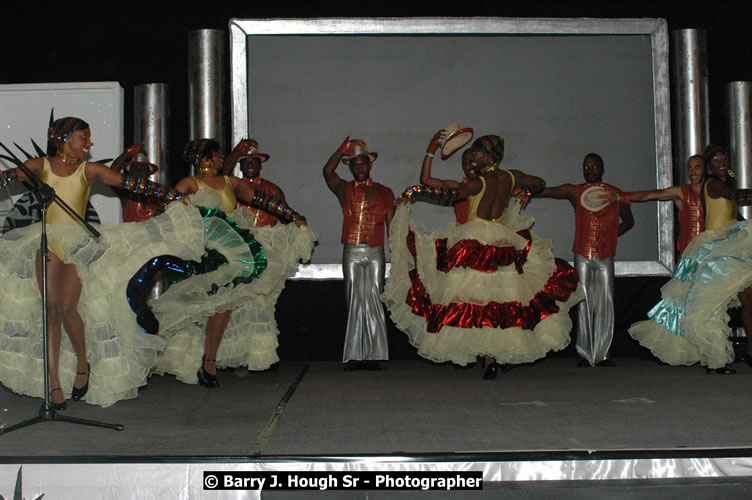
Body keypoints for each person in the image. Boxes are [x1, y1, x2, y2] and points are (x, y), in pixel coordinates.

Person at [0, 115, 194, 408]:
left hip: (78, 245)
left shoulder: (89, 170)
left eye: (89, 138)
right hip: (46, 242)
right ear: (64, 139)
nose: (89, 144)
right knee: (50, 310)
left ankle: (82, 362)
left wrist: (171, 195)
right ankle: (54, 385)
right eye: (84, 138)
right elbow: (12, 175)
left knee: (67, 308)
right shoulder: (41, 165)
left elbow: (131, 183)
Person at [384, 134, 583, 379]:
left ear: (489, 156)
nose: (472, 157)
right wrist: (523, 192)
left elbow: (445, 195)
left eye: (476, 153)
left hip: (474, 240)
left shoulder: (477, 183)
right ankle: (490, 357)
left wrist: (412, 192)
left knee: (473, 299)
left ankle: (483, 354)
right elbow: (539, 183)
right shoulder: (511, 176)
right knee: (496, 300)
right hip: (500, 240)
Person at [150, 138, 313, 387]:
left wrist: (293, 216)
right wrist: (176, 204)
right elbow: (164, 206)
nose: (221, 159)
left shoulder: (229, 182)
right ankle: (199, 360)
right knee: (209, 306)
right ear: (205, 159)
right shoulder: (190, 183)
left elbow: (262, 200)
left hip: (234, 249)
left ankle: (209, 362)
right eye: (217, 155)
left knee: (224, 305)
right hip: (206, 252)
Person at [629, 144, 752, 372]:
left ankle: (746, 352)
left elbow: (736, 215)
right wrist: (621, 196)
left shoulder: (720, 185)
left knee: (743, 299)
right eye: (715, 160)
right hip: (711, 253)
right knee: (706, 306)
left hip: (725, 250)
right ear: (708, 168)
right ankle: (714, 358)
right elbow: (732, 195)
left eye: (724, 159)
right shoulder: (713, 185)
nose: (722, 163)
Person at [532, 153, 634, 367]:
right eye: (586, 167)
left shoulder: (615, 194)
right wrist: (527, 190)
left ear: (602, 168)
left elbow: (629, 221)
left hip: (605, 254)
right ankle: (585, 353)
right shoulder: (575, 191)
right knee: (583, 301)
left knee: (606, 301)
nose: (589, 170)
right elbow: (551, 192)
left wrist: (610, 236)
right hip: (582, 253)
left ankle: (603, 354)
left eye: (594, 166)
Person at [323, 138, 395, 370]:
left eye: (362, 164)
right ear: (350, 168)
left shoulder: (385, 192)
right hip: (352, 250)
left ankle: (376, 355)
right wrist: (341, 149)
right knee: (354, 299)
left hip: (375, 250)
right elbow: (327, 170)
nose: (359, 168)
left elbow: (392, 226)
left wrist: (400, 251)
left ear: (370, 164)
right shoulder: (344, 189)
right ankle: (354, 355)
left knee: (375, 298)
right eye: (354, 165)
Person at [603, 155, 705, 254]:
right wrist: (618, 196)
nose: (692, 173)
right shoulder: (682, 192)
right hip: (689, 254)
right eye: (689, 168)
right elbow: (647, 195)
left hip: (710, 254)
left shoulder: (713, 192)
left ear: (705, 169)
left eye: (697, 168)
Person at [223, 138, 284, 227]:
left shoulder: (273, 190)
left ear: (260, 165)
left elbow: (286, 216)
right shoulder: (234, 186)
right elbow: (225, 173)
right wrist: (241, 146)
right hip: (240, 238)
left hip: (266, 239)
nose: (250, 165)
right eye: (246, 162)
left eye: (254, 162)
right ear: (240, 167)